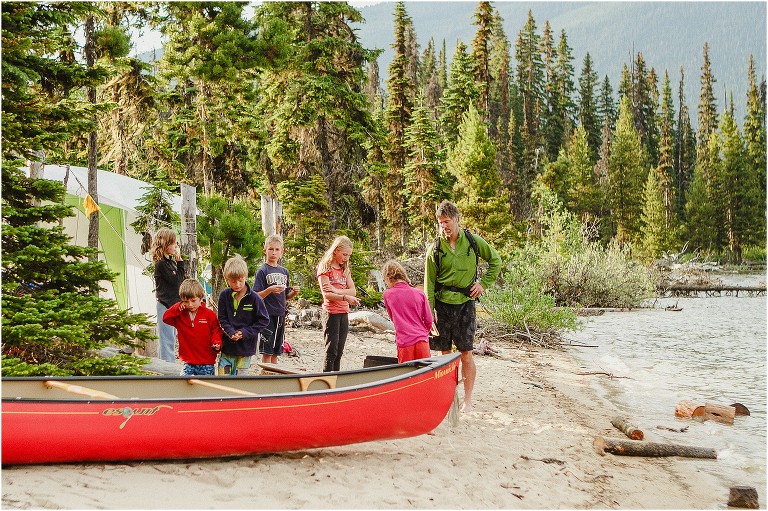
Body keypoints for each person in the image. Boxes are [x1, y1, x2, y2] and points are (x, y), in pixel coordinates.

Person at [424, 200, 502, 413]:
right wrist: (429, 314)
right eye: (440, 223)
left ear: (457, 219)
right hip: (442, 306)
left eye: (446, 222)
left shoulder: (473, 241)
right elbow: (428, 283)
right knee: (445, 354)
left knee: (466, 353)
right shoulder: (436, 248)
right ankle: (449, 398)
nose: (443, 227)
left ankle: (467, 401)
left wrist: (483, 284)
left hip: (465, 305)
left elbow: (496, 261)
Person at [217, 255, 270, 376]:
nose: (237, 284)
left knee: (241, 378)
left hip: (246, 348)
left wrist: (245, 333)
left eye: (240, 280)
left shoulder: (255, 298)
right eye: (233, 281)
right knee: (223, 376)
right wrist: (230, 332)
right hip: (227, 347)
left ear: (245, 277)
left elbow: (263, 320)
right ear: (227, 279)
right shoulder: (224, 296)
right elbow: (222, 318)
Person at [253, 234, 300, 366]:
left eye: (277, 250)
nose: (274, 252)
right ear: (265, 251)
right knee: (267, 350)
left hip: (281, 314)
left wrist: (293, 293)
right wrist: (269, 290)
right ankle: (266, 376)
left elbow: (285, 296)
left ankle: (274, 374)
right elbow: (256, 295)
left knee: (276, 350)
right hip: (266, 315)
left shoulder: (285, 271)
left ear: (282, 252)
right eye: (271, 249)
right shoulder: (262, 271)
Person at [317, 235, 360, 372]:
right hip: (331, 313)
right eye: (344, 254)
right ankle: (327, 382)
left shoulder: (345, 269)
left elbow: (353, 290)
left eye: (349, 255)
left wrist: (338, 291)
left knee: (339, 352)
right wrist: (345, 297)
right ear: (335, 251)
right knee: (331, 351)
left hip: (343, 312)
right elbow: (327, 295)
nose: (346, 258)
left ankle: (336, 381)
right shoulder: (325, 268)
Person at [163, 279, 222, 376]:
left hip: (206, 362)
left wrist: (217, 343)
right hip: (188, 361)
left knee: (206, 388)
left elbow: (216, 330)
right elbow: (166, 318)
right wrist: (177, 307)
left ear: (200, 298)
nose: (190, 304)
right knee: (184, 386)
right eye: (186, 301)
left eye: (193, 300)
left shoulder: (209, 315)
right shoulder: (180, 315)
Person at [381, 260, 433, 363]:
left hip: (404, 340)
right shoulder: (419, 293)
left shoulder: (388, 295)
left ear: (388, 278)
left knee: (406, 375)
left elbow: (393, 318)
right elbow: (429, 320)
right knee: (424, 374)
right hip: (421, 339)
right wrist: (423, 332)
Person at [152, 227, 186, 363]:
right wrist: (181, 265)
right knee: (166, 340)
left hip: (174, 305)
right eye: (173, 244)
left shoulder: (171, 262)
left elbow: (179, 282)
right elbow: (175, 281)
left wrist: (178, 265)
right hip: (165, 305)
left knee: (171, 339)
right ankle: (168, 368)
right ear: (165, 244)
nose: (175, 246)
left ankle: (165, 364)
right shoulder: (161, 264)